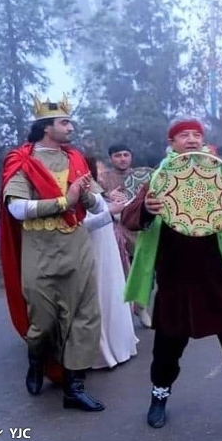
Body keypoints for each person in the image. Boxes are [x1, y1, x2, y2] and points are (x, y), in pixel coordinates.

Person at [121, 117, 222, 429]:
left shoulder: (219, 172)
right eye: (183, 135)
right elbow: (128, 217)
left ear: (204, 141)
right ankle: (159, 398)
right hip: (175, 276)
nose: (191, 140)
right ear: (172, 144)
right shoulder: (158, 178)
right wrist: (147, 209)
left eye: (196, 134)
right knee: (167, 348)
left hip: (218, 274)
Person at [0, 94, 105, 411]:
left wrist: (84, 196)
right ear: (47, 127)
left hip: (76, 246)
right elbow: (17, 208)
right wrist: (64, 201)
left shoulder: (76, 159)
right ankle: (37, 362)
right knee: (42, 323)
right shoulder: (22, 161)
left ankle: (74, 387)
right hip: (40, 251)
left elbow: (98, 205)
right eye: (64, 122)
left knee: (85, 317)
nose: (70, 127)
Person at [84, 156, 139, 369]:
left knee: (114, 292)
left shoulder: (94, 188)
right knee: (100, 295)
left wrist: (115, 205)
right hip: (92, 249)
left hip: (107, 246)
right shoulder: (75, 189)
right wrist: (111, 210)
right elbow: (80, 223)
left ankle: (120, 343)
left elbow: (107, 212)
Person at [97, 143, 152, 328]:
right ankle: (124, 315)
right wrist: (106, 197)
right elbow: (94, 203)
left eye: (126, 155)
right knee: (121, 275)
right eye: (118, 155)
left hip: (142, 231)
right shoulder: (102, 180)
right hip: (116, 232)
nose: (122, 159)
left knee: (144, 273)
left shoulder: (143, 176)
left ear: (131, 157)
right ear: (111, 158)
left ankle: (141, 307)